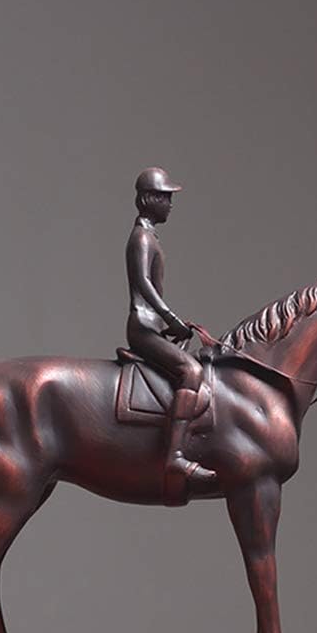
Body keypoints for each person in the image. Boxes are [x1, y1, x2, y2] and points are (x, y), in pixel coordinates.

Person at [125, 167, 215, 502]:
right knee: (191, 371)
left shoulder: (150, 237)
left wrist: (170, 326)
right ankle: (175, 457)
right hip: (143, 328)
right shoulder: (141, 238)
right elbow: (143, 284)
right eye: (165, 198)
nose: (170, 204)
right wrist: (170, 318)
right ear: (149, 199)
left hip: (152, 327)